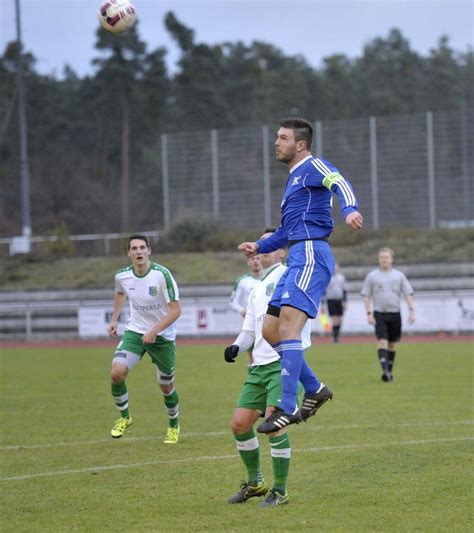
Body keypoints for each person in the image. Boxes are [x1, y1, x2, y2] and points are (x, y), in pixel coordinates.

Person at [238, 117, 363, 434]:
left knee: (290, 329)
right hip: (298, 254)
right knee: (270, 329)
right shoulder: (294, 180)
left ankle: (287, 405)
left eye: (282, 138)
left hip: (311, 254)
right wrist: (260, 245)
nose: (276, 143)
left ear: (301, 144)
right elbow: (286, 232)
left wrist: (349, 208)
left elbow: (340, 182)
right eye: (277, 137)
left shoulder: (313, 166)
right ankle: (315, 388)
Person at [225, 229, 313, 507]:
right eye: (260, 245)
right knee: (240, 424)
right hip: (258, 367)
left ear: (282, 251)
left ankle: (281, 490)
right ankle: (256, 483)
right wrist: (237, 347)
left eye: (270, 244)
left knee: (275, 426)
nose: (262, 249)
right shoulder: (256, 288)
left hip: (283, 363)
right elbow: (250, 329)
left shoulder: (290, 277)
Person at [108, 235, 182, 443]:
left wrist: (154, 331)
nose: (139, 251)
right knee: (117, 372)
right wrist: (114, 319)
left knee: (166, 386)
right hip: (135, 332)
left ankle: (173, 426)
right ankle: (124, 418)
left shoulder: (162, 275)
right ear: (129, 253)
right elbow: (119, 293)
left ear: (149, 251)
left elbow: (176, 311)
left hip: (163, 337)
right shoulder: (122, 276)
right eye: (134, 248)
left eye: (142, 247)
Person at [361, 247, 415, 382]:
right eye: (381, 257)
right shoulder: (372, 276)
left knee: (391, 344)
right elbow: (366, 295)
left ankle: (389, 372)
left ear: (391, 259)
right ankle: (385, 371)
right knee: (382, 342)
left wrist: (411, 310)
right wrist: (368, 313)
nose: (384, 259)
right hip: (379, 313)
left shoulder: (399, 276)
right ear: (379, 259)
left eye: (386, 257)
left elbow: (408, 294)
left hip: (395, 313)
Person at [321, 264, 347, 343]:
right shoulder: (328, 278)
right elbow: (324, 292)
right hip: (331, 300)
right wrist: (323, 304)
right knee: (334, 319)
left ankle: (337, 335)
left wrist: (345, 301)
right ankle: (334, 337)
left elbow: (344, 290)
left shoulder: (341, 278)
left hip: (339, 300)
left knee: (340, 319)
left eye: (337, 268)